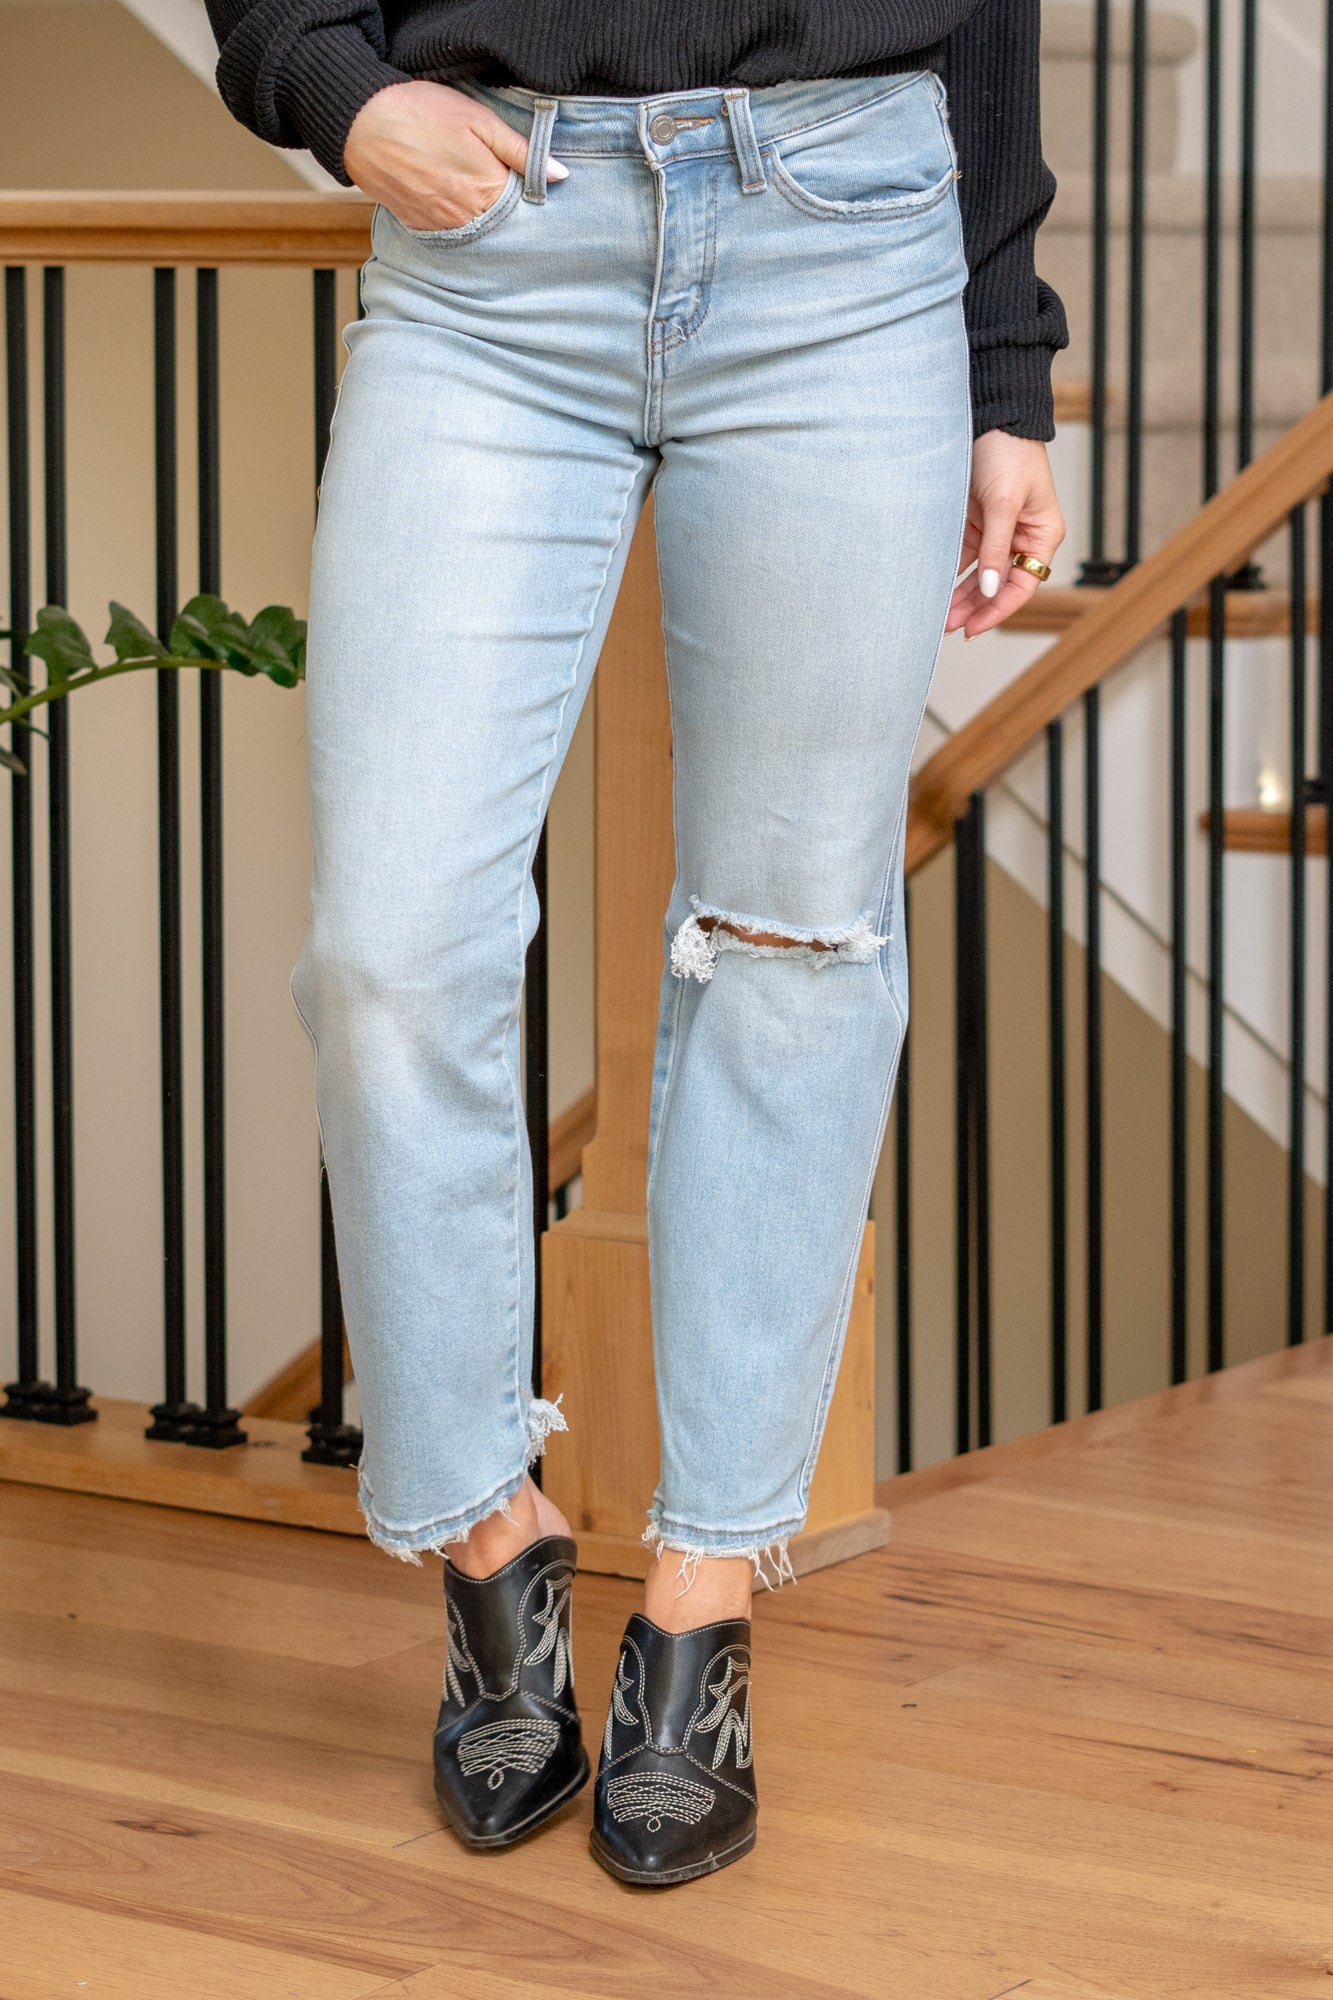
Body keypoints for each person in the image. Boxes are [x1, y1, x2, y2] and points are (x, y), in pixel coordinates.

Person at [204, 0, 1067, 1887]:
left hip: (849, 238)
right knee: (389, 945)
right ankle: (488, 1543)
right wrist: (334, 92)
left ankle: (699, 1606)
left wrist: (1005, 368)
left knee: (793, 939)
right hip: (489, 249)